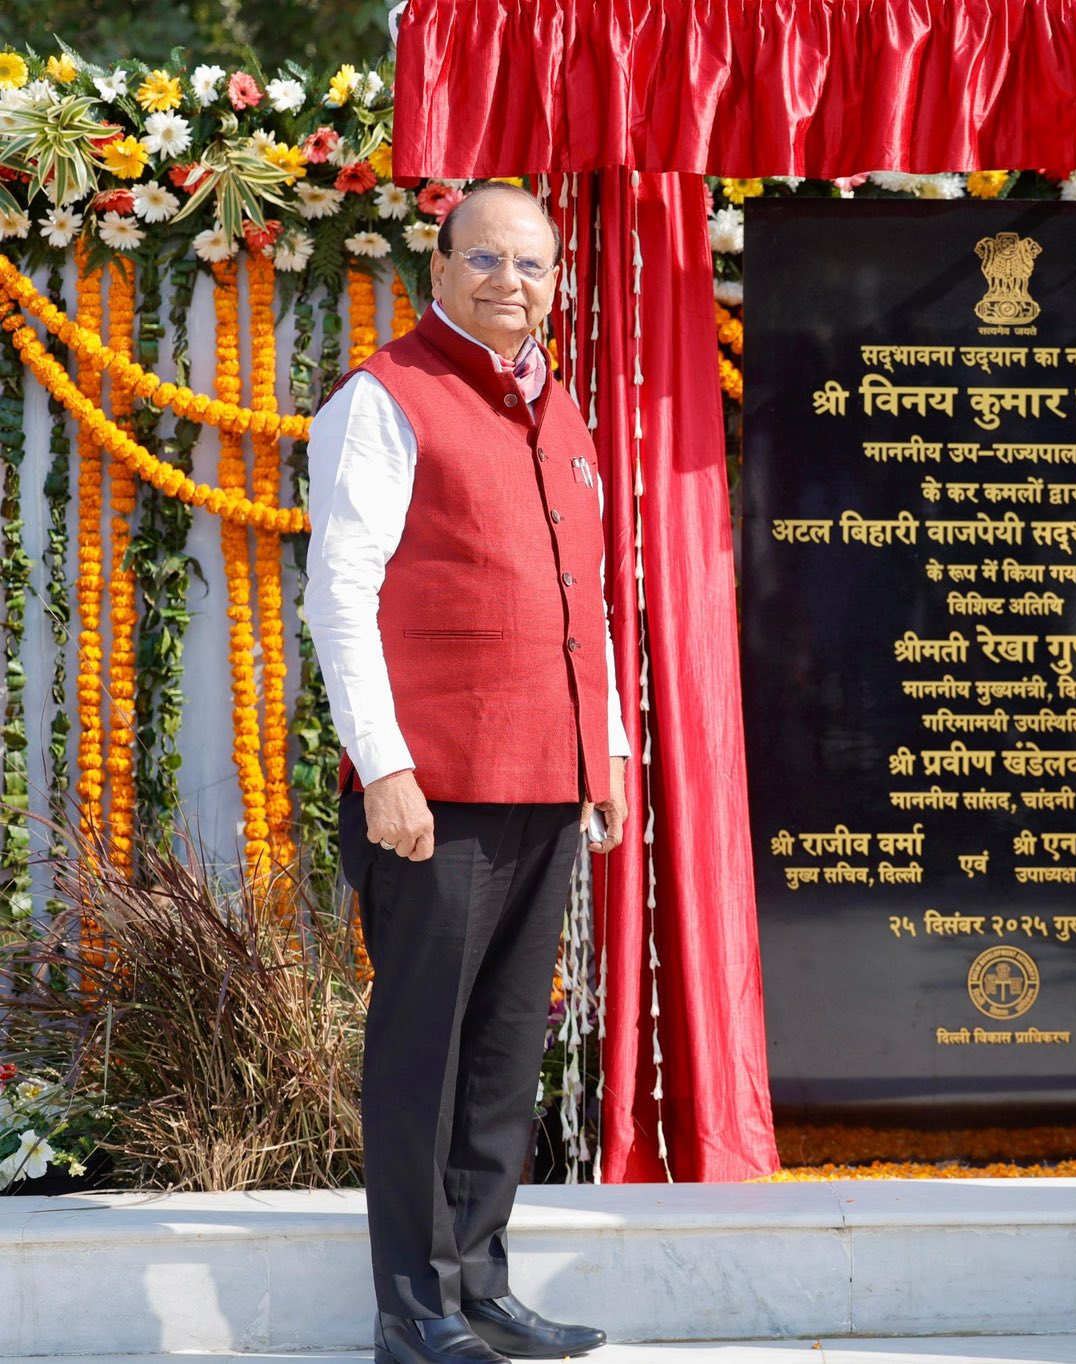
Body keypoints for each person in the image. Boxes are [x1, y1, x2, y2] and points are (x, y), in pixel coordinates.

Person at [306, 181, 625, 1364]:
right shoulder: (383, 399)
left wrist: (610, 755)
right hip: (432, 792)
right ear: (436, 269)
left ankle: (481, 1284)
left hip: (548, 778)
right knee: (422, 1053)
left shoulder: (558, 406)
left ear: (555, 280)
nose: (509, 281)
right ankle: (412, 1309)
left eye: (532, 263)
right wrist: (383, 766)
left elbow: (580, 602)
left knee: (501, 1052)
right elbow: (337, 595)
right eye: (484, 257)